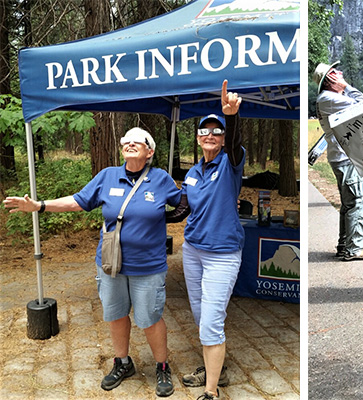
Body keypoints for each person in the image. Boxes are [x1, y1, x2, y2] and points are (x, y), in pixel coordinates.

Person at [3, 128, 181, 396]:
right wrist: (40, 206)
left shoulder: (161, 179)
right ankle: (122, 363)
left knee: (150, 319)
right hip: (110, 264)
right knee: (116, 315)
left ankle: (162, 366)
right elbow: (77, 202)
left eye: (138, 142)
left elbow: (183, 205)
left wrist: (167, 218)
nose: (130, 144)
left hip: (148, 266)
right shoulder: (108, 175)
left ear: (150, 152)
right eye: (126, 141)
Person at [165, 80, 244, 400]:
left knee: (211, 321)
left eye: (217, 131)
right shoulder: (194, 173)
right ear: (197, 138)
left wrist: (233, 116)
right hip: (193, 251)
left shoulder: (231, 163)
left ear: (223, 138)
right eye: (204, 131)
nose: (210, 135)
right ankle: (217, 370)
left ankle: (211, 392)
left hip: (222, 254)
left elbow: (237, 142)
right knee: (201, 317)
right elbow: (182, 209)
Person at [313, 61, 363, 261]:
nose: (340, 73)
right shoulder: (329, 98)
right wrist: (347, 86)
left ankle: (345, 245)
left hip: (343, 156)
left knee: (349, 203)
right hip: (347, 158)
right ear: (329, 80)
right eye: (335, 73)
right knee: (360, 201)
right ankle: (355, 248)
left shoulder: (330, 98)